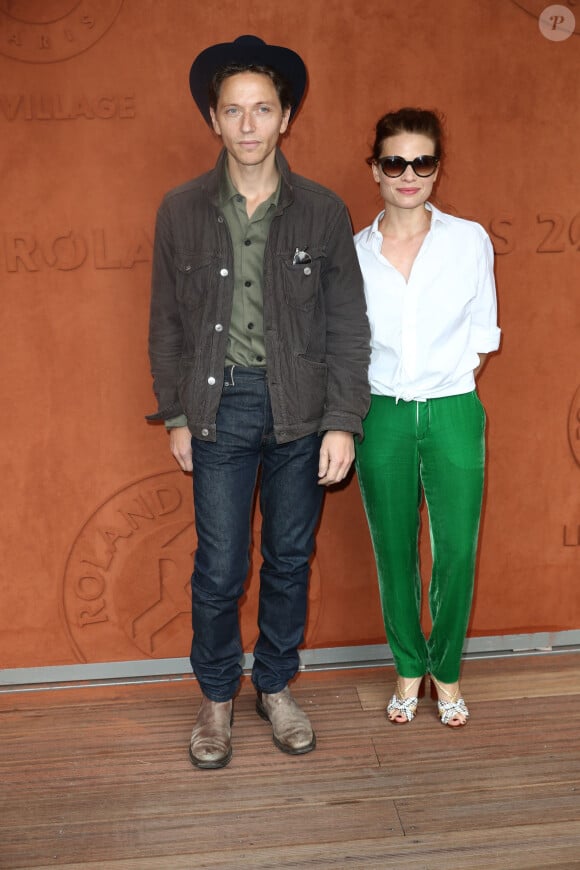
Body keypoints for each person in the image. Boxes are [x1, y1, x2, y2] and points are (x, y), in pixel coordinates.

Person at [147, 35, 370, 767]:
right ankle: (216, 699)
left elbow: (346, 326)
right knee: (219, 567)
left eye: (262, 110)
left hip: (301, 409)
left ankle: (273, 686)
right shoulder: (180, 210)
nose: (248, 125)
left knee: (289, 557)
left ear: (286, 117)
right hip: (220, 407)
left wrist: (343, 422)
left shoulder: (323, 210)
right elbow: (167, 325)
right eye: (233, 111)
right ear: (214, 119)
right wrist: (177, 415)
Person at [354, 108, 500, 727]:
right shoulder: (354, 252)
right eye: (395, 161)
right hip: (380, 413)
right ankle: (407, 666)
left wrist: (445, 384)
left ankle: (447, 671)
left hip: (453, 410)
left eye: (423, 161)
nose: (408, 174)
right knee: (393, 551)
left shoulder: (469, 240)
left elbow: (482, 331)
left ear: (438, 169)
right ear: (375, 170)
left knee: (457, 551)